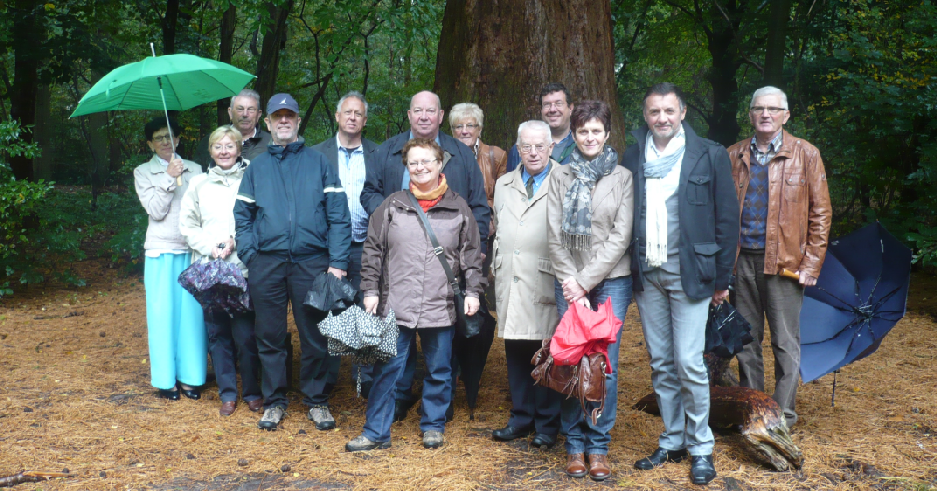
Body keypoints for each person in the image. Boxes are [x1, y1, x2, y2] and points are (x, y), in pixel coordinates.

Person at [623, 83, 739, 485]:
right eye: (654, 112)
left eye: (669, 111)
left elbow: (727, 219)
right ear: (645, 116)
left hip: (691, 271)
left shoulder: (708, 153)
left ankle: (701, 448)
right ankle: (672, 439)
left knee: (689, 361)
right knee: (660, 362)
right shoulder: (635, 154)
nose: (662, 119)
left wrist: (722, 279)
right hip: (647, 271)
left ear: (683, 112)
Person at [359, 90, 490, 421]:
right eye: (417, 110)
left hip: (443, 273)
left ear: (441, 115)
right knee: (396, 344)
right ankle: (398, 399)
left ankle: (436, 413)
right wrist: (391, 219)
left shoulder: (460, 155)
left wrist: (474, 267)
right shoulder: (386, 151)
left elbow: (477, 209)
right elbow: (369, 193)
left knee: (441, 350)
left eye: (430, 111)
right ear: (409, 114)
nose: (424, 116)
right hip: (397, 267)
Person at [346, 138, 483, 452]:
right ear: (406, 167)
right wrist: (370, 290)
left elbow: (471, 254)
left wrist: (473, 291)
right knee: (387, 370)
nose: (420, 168)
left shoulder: (458, 205)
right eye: (414, 163)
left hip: (441, 303)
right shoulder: (392, 204)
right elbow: (372, 251)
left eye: (427, 162)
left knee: (439, 369)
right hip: (397, 303)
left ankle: (433, 425)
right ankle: (376, 432)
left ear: (439, 165)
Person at [234, 93, 352, 431]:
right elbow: (242, 216)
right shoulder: (256, 167)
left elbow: (338, 217)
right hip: (266, 264)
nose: (283, 121)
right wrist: (250, 256)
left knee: (315, 335)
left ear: (299, 121)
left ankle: (316, 401)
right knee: (269, 335)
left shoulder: (319, 163)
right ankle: (274, 402)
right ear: (267, 123)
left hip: (311, 262)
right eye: (277, 117)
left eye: (290, 116)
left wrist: (337, 261)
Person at [728, 86, 832, 429]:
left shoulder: (806, 154)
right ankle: (753, 408)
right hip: (741, 261)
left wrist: (812, 262)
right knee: (746, 340)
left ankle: (784, 415)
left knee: (785, 342)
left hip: (785, 263)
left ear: (786, 115)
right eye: (759, 108)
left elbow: (821, 212)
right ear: (750, 113)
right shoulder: (734, 155)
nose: (766, 114)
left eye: (773, 109)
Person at [547, 100, 633, 482]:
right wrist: (573, 285)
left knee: (604, 367)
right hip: (568, 281)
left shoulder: (623, 177)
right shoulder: (560, 175)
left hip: (611, 279)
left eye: (596, 130)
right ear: (575, 134)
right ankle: (574, 445)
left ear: (607, 134)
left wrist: (586, 282)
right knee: (570, 362)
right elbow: (552, 234)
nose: (589, 137)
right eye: (583, 131)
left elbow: (621, 236)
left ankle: (598, 446)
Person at [180, 125, 263, 417]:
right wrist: (210, 246)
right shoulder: (198, 184)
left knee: (246, 335)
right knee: (217, 335)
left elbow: (261, 217)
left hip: (243, 269)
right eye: (218, 147)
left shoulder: (253, 177)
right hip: (209, 271)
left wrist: (235, 240)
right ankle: (228, 394)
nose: (224, 151)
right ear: (211, 151)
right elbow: (186, 225)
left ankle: (253, 392)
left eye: (230, 146)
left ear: (239, 149)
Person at [490, 120, 561, 449]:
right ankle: (521, 418)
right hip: (510, 278)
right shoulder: (503, 183)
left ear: (551, 147)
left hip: (545, 278)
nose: (533, 152)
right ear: (518, 149)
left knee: (546, 352)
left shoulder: (565, 179)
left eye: (540, 146)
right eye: (526, 146)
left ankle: (547, 424)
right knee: (516, 350)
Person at [133, 116, 206, 401]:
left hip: (191, 251)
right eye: (159, 137)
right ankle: (166, 380)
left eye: (170, 136)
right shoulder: (143, 172)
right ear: (150, 143)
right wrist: (168, 178)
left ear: (178, 140)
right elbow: (155, 211)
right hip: (161, 251)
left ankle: (191, 378)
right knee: (163, 316)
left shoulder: (197, 169)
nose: (166, 141)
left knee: (192, 317)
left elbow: (203, 210)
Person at [312, 91, 379, 398]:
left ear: (365, 121)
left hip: (368, 246)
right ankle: (327, 380)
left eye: (358, 114)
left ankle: (365, 380)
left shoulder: (378, 155)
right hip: (328, 249)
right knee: (330, 312)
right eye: (347, 112)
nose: (352, 117)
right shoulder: (316, 156)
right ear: (337, 117)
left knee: (368, 309)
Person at [506, 83, 576, 172]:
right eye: (547, 104)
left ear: (570, 108)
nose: (553, 109)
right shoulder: (521, 149)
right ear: (541, 110)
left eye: (558, 103)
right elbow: (511, 182)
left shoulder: (584, 145)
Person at [193, 89, 272, 168]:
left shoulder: (270, 143)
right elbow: (198, 173)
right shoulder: (210, 141)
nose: (245, 114)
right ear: (230, 113)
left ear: (259, 114)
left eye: (251, 109)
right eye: (240, 109)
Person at [448, 102, 507, 208]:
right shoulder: (444, 157)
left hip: (484, 220)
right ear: (453, 131)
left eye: (470, 126)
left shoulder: (496, 156)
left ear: (479, 129)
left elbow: (504, 199)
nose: (464, 131)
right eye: (459, 126)